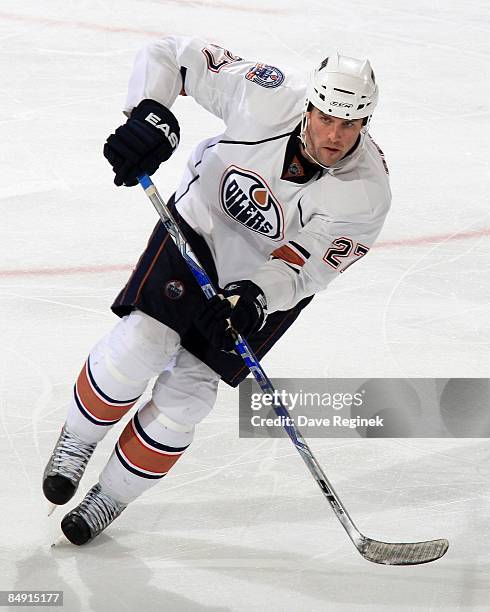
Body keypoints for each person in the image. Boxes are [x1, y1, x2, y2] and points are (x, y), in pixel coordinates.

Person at [42, 37, 391, 545]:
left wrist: (255, 296)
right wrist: (149, 115)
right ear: (310, 104)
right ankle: (76, 443)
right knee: (140, 344)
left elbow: (305, 267)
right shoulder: (266, 94)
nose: (334, 135)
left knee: (188, 399)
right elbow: (172, 54)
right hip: (199, 231)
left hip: (260, 287)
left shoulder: (366, 194)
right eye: (325, 117)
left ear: (365, 123)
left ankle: (111, 496)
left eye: (349, 124)